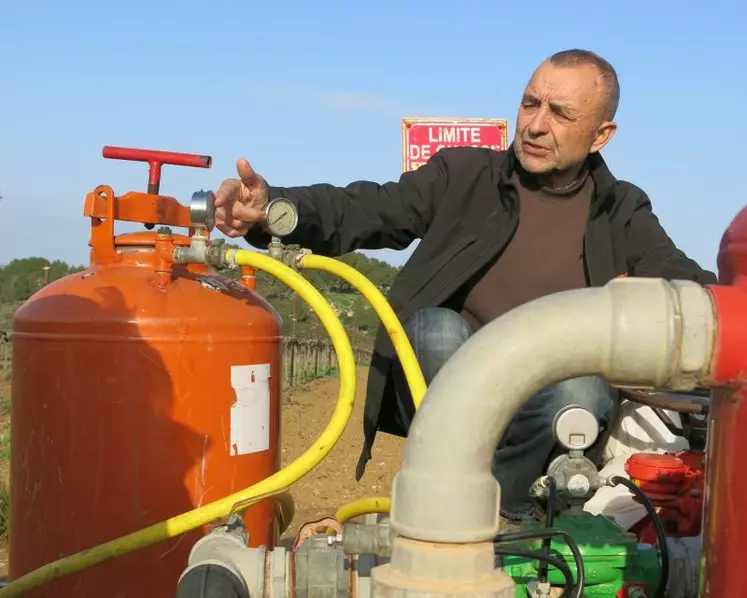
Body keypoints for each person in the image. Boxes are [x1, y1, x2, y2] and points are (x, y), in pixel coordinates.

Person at [213, 49, 717, 525]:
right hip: (448, 386)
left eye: (560, 113)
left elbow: (681, 277)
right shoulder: (463, 175)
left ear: (601, 134)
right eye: (529, 103)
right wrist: (274, 209)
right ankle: (459, 501)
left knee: (584, 385)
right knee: (436, 327)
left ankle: (506, 517)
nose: (536, 124)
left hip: (549, 406)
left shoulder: (621, 209)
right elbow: (365, 209)